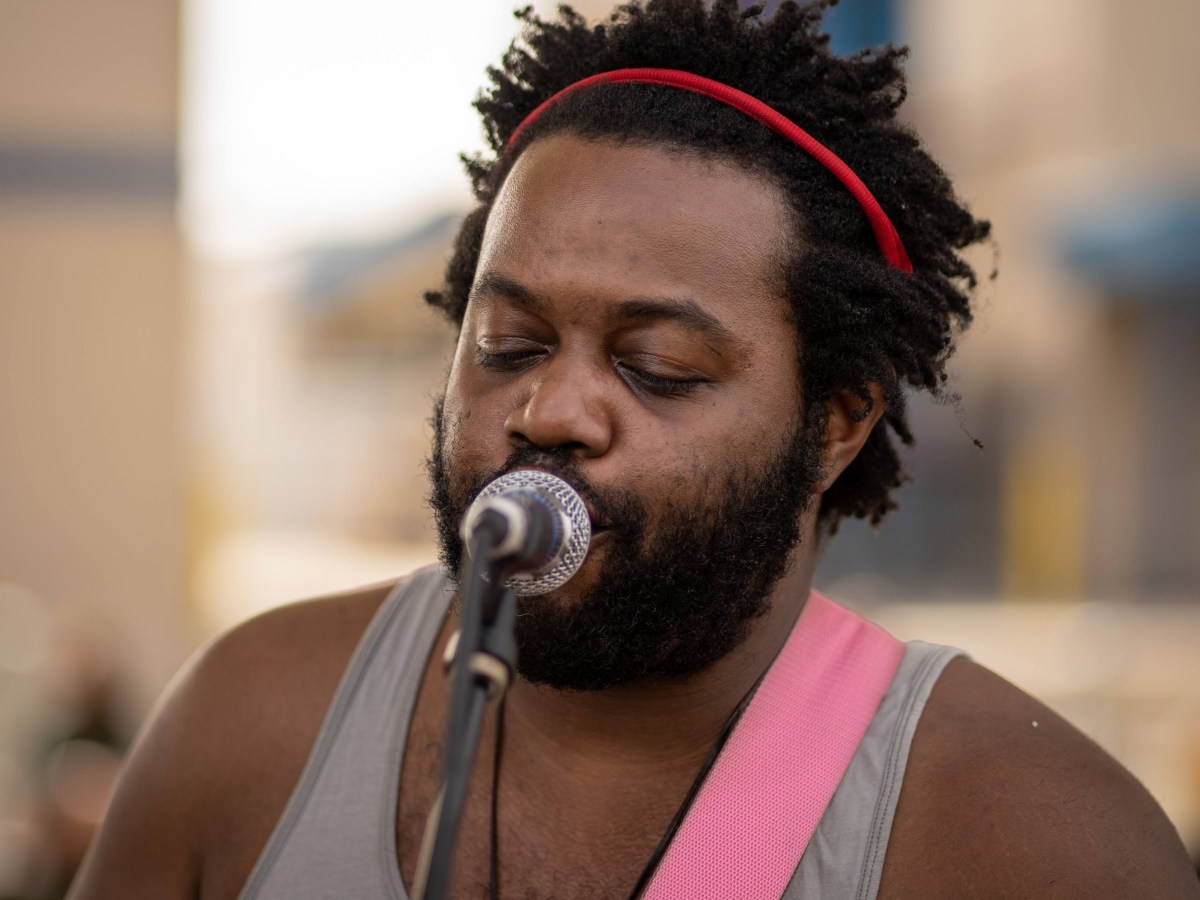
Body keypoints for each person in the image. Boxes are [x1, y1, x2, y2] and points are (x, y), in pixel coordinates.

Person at [70, 2, 1198, 898]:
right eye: (508, 344)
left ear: (838, 425)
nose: (552, 410)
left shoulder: (1035, 838)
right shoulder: (248, 719)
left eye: (656, 366)